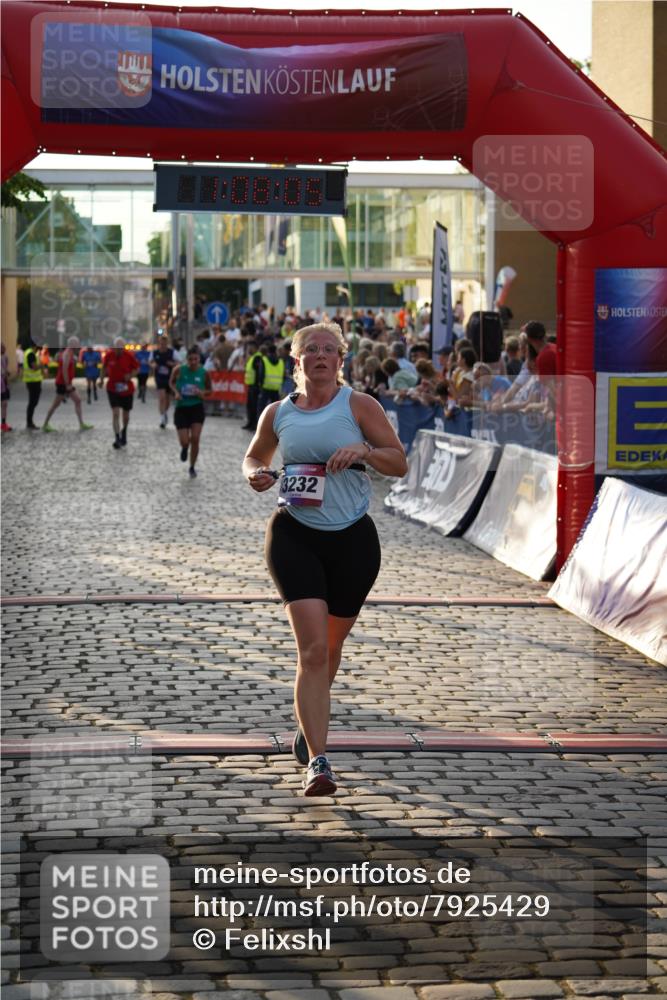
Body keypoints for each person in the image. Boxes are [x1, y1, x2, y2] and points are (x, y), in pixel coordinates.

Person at [242, 322, 407, 797]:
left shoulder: (359, 406)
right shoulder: (278, 413)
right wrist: (257, 474)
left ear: (341, 359)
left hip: (353, 539)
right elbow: (253, 457)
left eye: (328, 350)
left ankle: (308, 720)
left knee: (330, 650)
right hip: (294, 534)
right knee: (312, 651)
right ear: (296, 361)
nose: (320, 356)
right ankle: (318, 761)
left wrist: (367, 450)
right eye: (310, 349)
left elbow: (400, 461)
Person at [169, 345, 212, 478]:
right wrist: (176, 393)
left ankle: (192, 466)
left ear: (199, 359)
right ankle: (184, 447)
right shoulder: (179, 370)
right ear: (187, 359)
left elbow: (210, 390)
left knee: (195, 438)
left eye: (196, 359)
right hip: (181, 407)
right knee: (185, 441)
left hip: (196, 407)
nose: (193, 362)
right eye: (190, 359)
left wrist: (201, 393)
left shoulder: (204, 373)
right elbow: (171, 383)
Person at [41, 337, 93, 433]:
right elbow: (64, 370)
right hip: (63, 383)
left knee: (77, 400)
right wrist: (67, 384)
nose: (79, 346)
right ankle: (45, 424)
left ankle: (81, 424)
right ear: (72, 344)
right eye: (77, 344)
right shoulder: (67, 353)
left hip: (65, 383)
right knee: (55, 404)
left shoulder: (70, 353)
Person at [101, 337, 140, 448]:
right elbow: (103, 368)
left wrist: (130, 375)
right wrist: (101, 379)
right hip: (113, 388)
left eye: (122, 348)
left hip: (127, 389)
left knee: (126, 416)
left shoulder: (129, 356)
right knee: (116, 413)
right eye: (118, 348)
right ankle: (117, 437)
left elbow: (137, 369)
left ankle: (124, 431)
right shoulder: (109, 355)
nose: (120, 351)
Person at [151, 335, 176, 428]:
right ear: (159, 344)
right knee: (161, 398)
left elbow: (180, 363)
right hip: (159, 378)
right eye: (161, 344)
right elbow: (150, 361)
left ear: (167, 344)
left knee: (168, 400)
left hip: (169, 378)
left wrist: (172, 364)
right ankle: (162, 418)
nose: (162, 345)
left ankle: (165, 412)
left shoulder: (172, 353)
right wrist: (153, 365)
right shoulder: (155, 353)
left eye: (164, 344)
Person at [242, 338, 263, 431]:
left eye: (250, 348)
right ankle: (250, 423)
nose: (248, 350)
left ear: (255, 348)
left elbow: (259, 373)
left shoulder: (258, 357)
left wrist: (257, 385)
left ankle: (254, 424)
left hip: (255, 386)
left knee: (254, 406)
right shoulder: (253, 357)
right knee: (250, 405)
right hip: (251, 386)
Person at [23, 340, 44, 430]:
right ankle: (29, 423)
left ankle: (29, 422)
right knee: (32, 402)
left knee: (33, 402)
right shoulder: (31, 354)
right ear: (35, 346)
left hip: (32, 381)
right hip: (33, 381)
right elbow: (34, 367)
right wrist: (41, 365)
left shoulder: (29, 353)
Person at [1, 344, 12, 431]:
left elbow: (5, 370)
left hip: (3, 385)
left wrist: (7, 383)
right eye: (1, 347)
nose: (4, 348)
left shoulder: (5, 357)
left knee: (4, 404)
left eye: (4, 347)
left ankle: (3, 423)